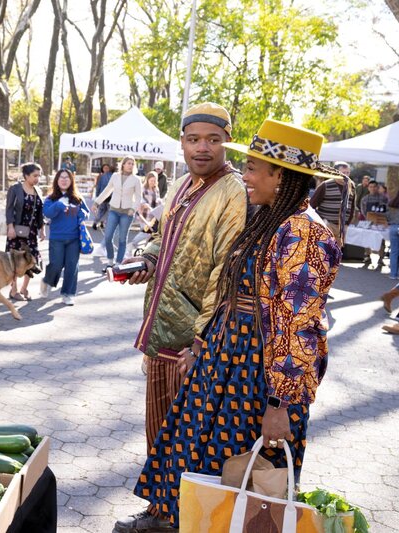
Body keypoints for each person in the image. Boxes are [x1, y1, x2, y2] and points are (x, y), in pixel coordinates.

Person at [126, 119, 343, 531]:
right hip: (227, 362)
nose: (243, 176)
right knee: (200, 461)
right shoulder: (270, 219)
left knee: (242, 480)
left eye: (252, 169)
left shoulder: (306, 234)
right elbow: (234, 295)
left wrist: (281, 405)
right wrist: (203, 346)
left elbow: (299, 326)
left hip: (260, 383)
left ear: (281, 176)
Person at [112, 102, 247, 533]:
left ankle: (178, 518)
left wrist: (202, 342)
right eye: (193, 139)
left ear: (227, 142)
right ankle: (158, 510)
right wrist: (146, 262)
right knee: (159, 429)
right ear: (182, 143)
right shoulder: (181, 185)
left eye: (213, 139)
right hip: (160, 330)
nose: (202, 148)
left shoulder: (234, 192)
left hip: (191, 341)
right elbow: (162, 238)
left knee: (187, 437)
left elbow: (227, 274)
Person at [39, 169, 89, 306]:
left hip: (74, 239)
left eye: (67, 177)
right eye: (61, 177)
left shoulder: (77, 198)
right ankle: (47, 281)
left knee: (72, 266)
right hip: (57, 238)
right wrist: (58, 205)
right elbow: (47, 214)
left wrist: (81, 213)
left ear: (71, 180)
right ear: (57, 180)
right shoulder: (51, 199)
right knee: (56, 265)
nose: (64, 180)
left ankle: (68, 294)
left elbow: (87, 213)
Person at [5, 162, 45, 301]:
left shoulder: (38, 191)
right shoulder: (15, 189)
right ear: (26, 175)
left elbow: (41, 212)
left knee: (32, 260)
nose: (37, 179)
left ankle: (24, 288)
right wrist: (10, 227)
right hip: (16, 231)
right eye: (34, 176)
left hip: (32, 232)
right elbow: (9, 209)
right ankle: (14, 290)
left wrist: (42, 229)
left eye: (39, 176)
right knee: (14, 261)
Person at [91, 156, 143, 266]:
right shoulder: (115, 176)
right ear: (123, 164)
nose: (130, 165)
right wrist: (97, 202)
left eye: (132, 164)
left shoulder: (136, 180)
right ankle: (110, 260)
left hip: (127, 213)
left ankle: (118, 263)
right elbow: (107, 191)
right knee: (108, 237)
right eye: (128, 163)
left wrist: (133, 209)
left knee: (122, 239)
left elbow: (138, 197)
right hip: (114, 210)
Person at [309, 160, 355, 246]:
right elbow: (311, 205)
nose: (346, 175)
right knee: (325, 250)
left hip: (342, 226)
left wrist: (347, 224)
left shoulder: (351, 186)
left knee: (337, 252)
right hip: (326, 224)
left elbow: (352, 207)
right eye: (343, 172)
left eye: (347, 172)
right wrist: (321, 221)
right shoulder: (325, 185)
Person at [92, 163, 113, 230]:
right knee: (103, 211)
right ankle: (96, 223)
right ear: (102, 169)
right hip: (104, 196)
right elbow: (98, 186)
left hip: (109, 196)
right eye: (104, 168)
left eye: (107, 168)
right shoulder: (101, 176)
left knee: (106, 211)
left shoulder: (111, 176)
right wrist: (97, 196)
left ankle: (101, 223)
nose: (106, 169)